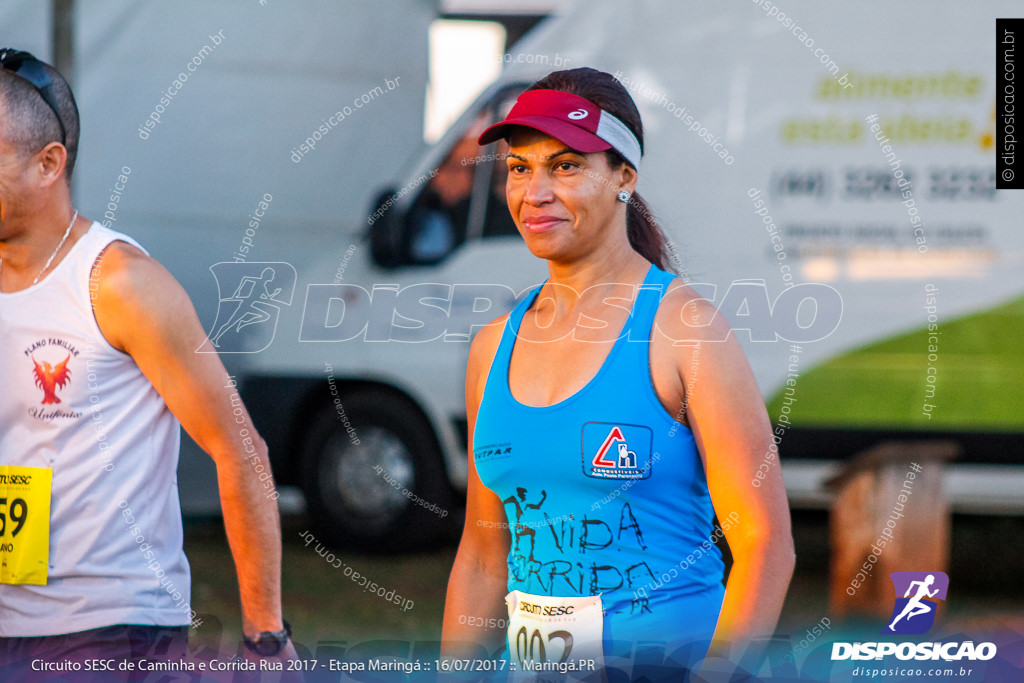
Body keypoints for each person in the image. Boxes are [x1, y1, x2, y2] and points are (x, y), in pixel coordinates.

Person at [441, 67, 795, 678]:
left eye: (566, 166)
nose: (535, 191)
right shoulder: (492, 346)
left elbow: (765, 543)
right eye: (520, 168)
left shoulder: (685, 329)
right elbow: (481, 556)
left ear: (623, 178)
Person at [0, 49, 295, 678]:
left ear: (48, 164)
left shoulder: (120, 284)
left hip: (109, 630)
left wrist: (265, 636)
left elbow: (241, 450)